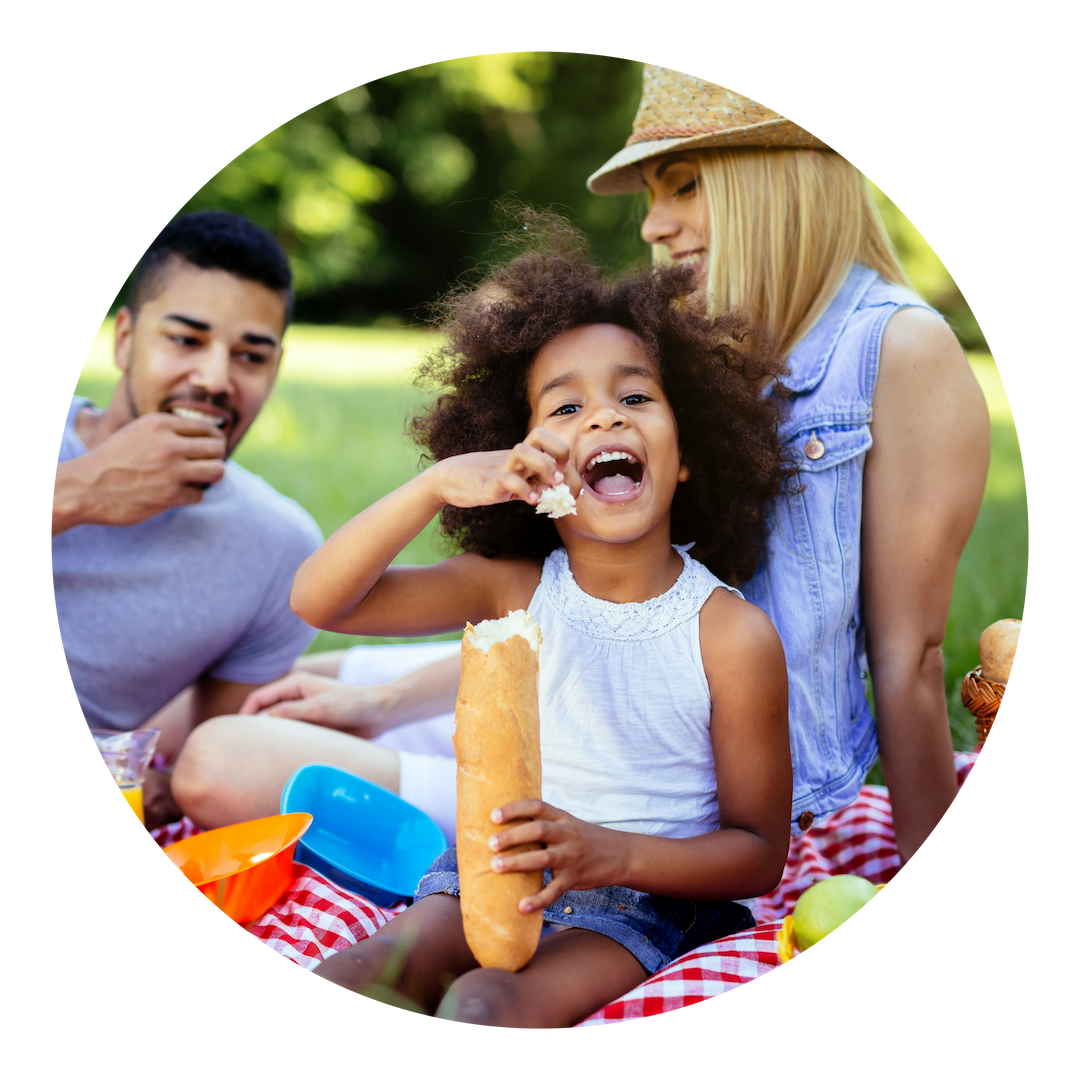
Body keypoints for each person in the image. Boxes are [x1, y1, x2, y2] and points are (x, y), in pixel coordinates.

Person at [304, 219, 794, 1029]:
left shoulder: (730, 635)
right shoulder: (512, 589)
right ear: (522, 459)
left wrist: (611, 852)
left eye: (635, 397)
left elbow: (758, 854)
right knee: (355, 971)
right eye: (567, 406)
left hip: (645, 900)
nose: (603, 419)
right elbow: (323, 603)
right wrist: (435, 486)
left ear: (688, 452)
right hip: (491, 873)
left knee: (483, 1004)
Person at [582, 63, 992, 870]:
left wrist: (930, 897)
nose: (653, 227)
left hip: (697, 814)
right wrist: (382, 696)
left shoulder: (897, 349)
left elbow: (907, 658)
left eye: (684, 185)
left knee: (308, 767)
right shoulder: (687, 344)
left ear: (780, 180)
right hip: (599, 741)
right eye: (653, 197)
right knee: (332, 709)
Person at [51, 211, 324, 827]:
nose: (215, 379)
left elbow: (199, 774)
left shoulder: (280, 551)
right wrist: (80, 491)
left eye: (250, 356)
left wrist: (142, 791)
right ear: (125, 339)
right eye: (185, 340)